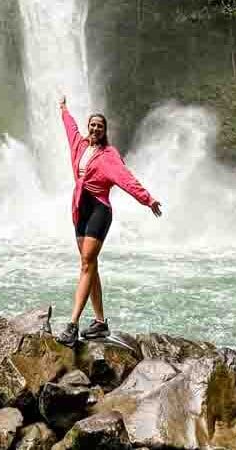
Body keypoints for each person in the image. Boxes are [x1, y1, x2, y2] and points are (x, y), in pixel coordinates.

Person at [56, 95, 162, 347]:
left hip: (99, 210)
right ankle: (100, 323)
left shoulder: (109, 155)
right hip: (80, 208)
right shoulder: (79, 145)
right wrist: (63, 109)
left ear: (104, 131)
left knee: (86, 264)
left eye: (100, 126)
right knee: (89, 265)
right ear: (88, 126)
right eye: (92, 124)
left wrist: (148, 200)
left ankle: (72, 324)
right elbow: (70, 127)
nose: (95, 128)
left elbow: (126, 179)